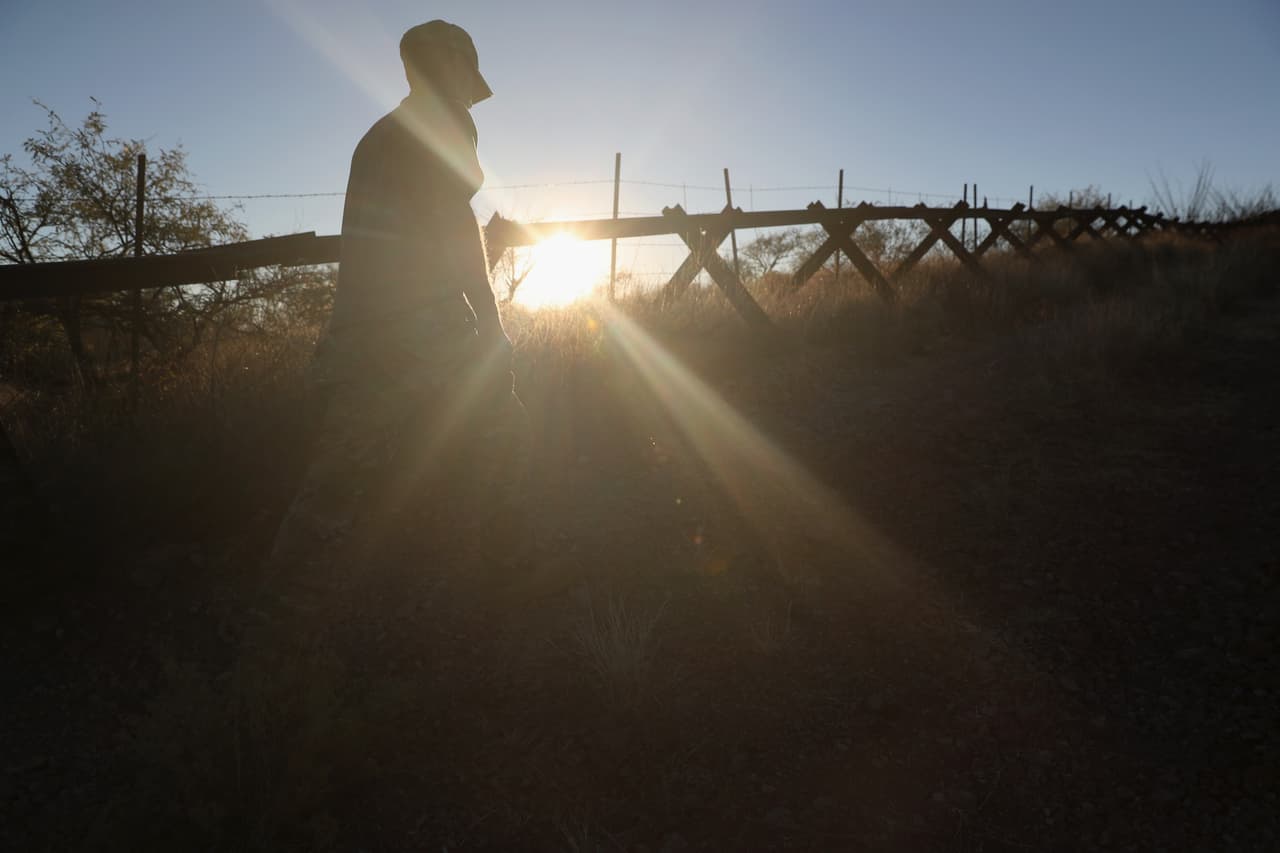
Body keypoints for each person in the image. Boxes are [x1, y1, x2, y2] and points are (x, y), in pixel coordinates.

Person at [255, 20, 530, 628]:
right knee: (497, 435)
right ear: (451, 67)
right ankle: (488, 584)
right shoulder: (445, 122)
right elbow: (455, 229)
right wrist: (491, 328)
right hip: (422, 332)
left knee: (337, 489)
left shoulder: (383, 135)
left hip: (364, 335)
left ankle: (283, 622)